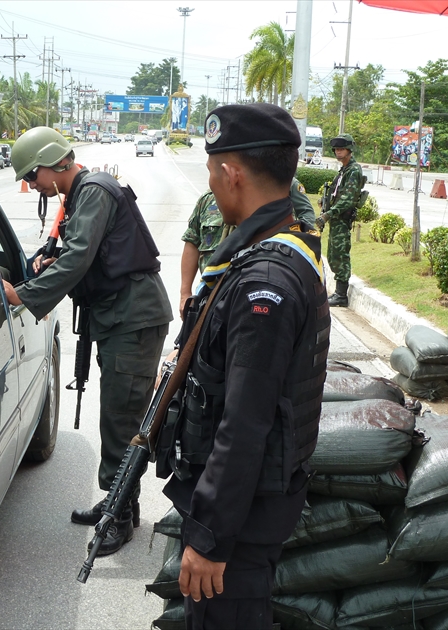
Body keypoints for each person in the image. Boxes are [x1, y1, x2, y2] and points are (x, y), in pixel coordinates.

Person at [161, 103, 329, 630]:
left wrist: (209, 537)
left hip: (240, 521)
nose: (211, 186)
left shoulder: (266, 283)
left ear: (231, 173)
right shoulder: (271, 251)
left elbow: (246, 423)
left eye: (212, 172)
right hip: (245, 509)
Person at [1, 127, 173, 554]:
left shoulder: (93, 189)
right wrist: (50, 259)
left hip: (134, 318)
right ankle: (117, 503)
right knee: (116, 416)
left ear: (51, 164)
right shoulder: (81, 194)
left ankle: (121, 515)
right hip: (120, 317)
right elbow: (85, 252)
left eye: (33, 175)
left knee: (122, 420)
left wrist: (23, 295)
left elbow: (80, 258)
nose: (33, 184)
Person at [179, 179, 315, 317]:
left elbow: (306, 216)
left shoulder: (272, 191)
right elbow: (192, 241)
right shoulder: (208, 199)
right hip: (211, 293)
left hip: (253, 294)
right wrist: (185, 293)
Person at [315, 133, 363, 307]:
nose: (338, 152)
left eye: (341, 149)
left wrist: (328, 214)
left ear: (349, 149)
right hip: (336, 218)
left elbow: (348, 199)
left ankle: (341, 295)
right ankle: (338, 292)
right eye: (336, 149)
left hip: (341, 218)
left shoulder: (354, 170)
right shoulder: (344, 170)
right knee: (333, 256)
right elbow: (337, 195)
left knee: (340, 256)